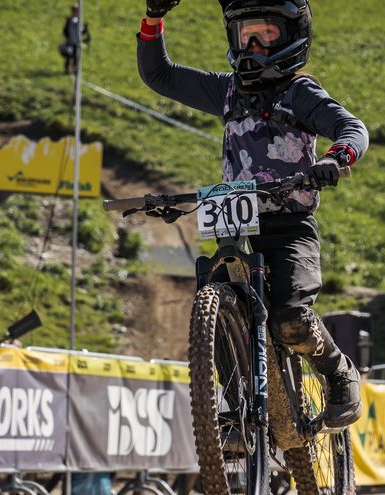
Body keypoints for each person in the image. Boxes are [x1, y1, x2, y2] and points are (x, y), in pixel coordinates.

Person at [137, 0, 367, 427]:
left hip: (289, 227)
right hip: (236, 228)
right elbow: (160, 75)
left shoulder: (300, 93)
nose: (254, 45)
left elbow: (351, 127)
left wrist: (337, 157)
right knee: (216, 314)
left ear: (293, 36)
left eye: (267, 35)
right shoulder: (227, 91)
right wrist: (153, 17)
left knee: (290, 319)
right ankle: (234, 409)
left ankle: (339, 375)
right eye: (246, 35)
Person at [62, 4, 90, 75]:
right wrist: (67, 38)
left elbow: (80, 32)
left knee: (76, 56)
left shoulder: (78, 20)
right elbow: (66, 30)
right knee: (70, 56)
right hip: (71, 41)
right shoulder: (70, 20)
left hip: (77, 42)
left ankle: (75, 69)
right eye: (75, 10)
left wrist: (85, 30)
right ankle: (67, 68)